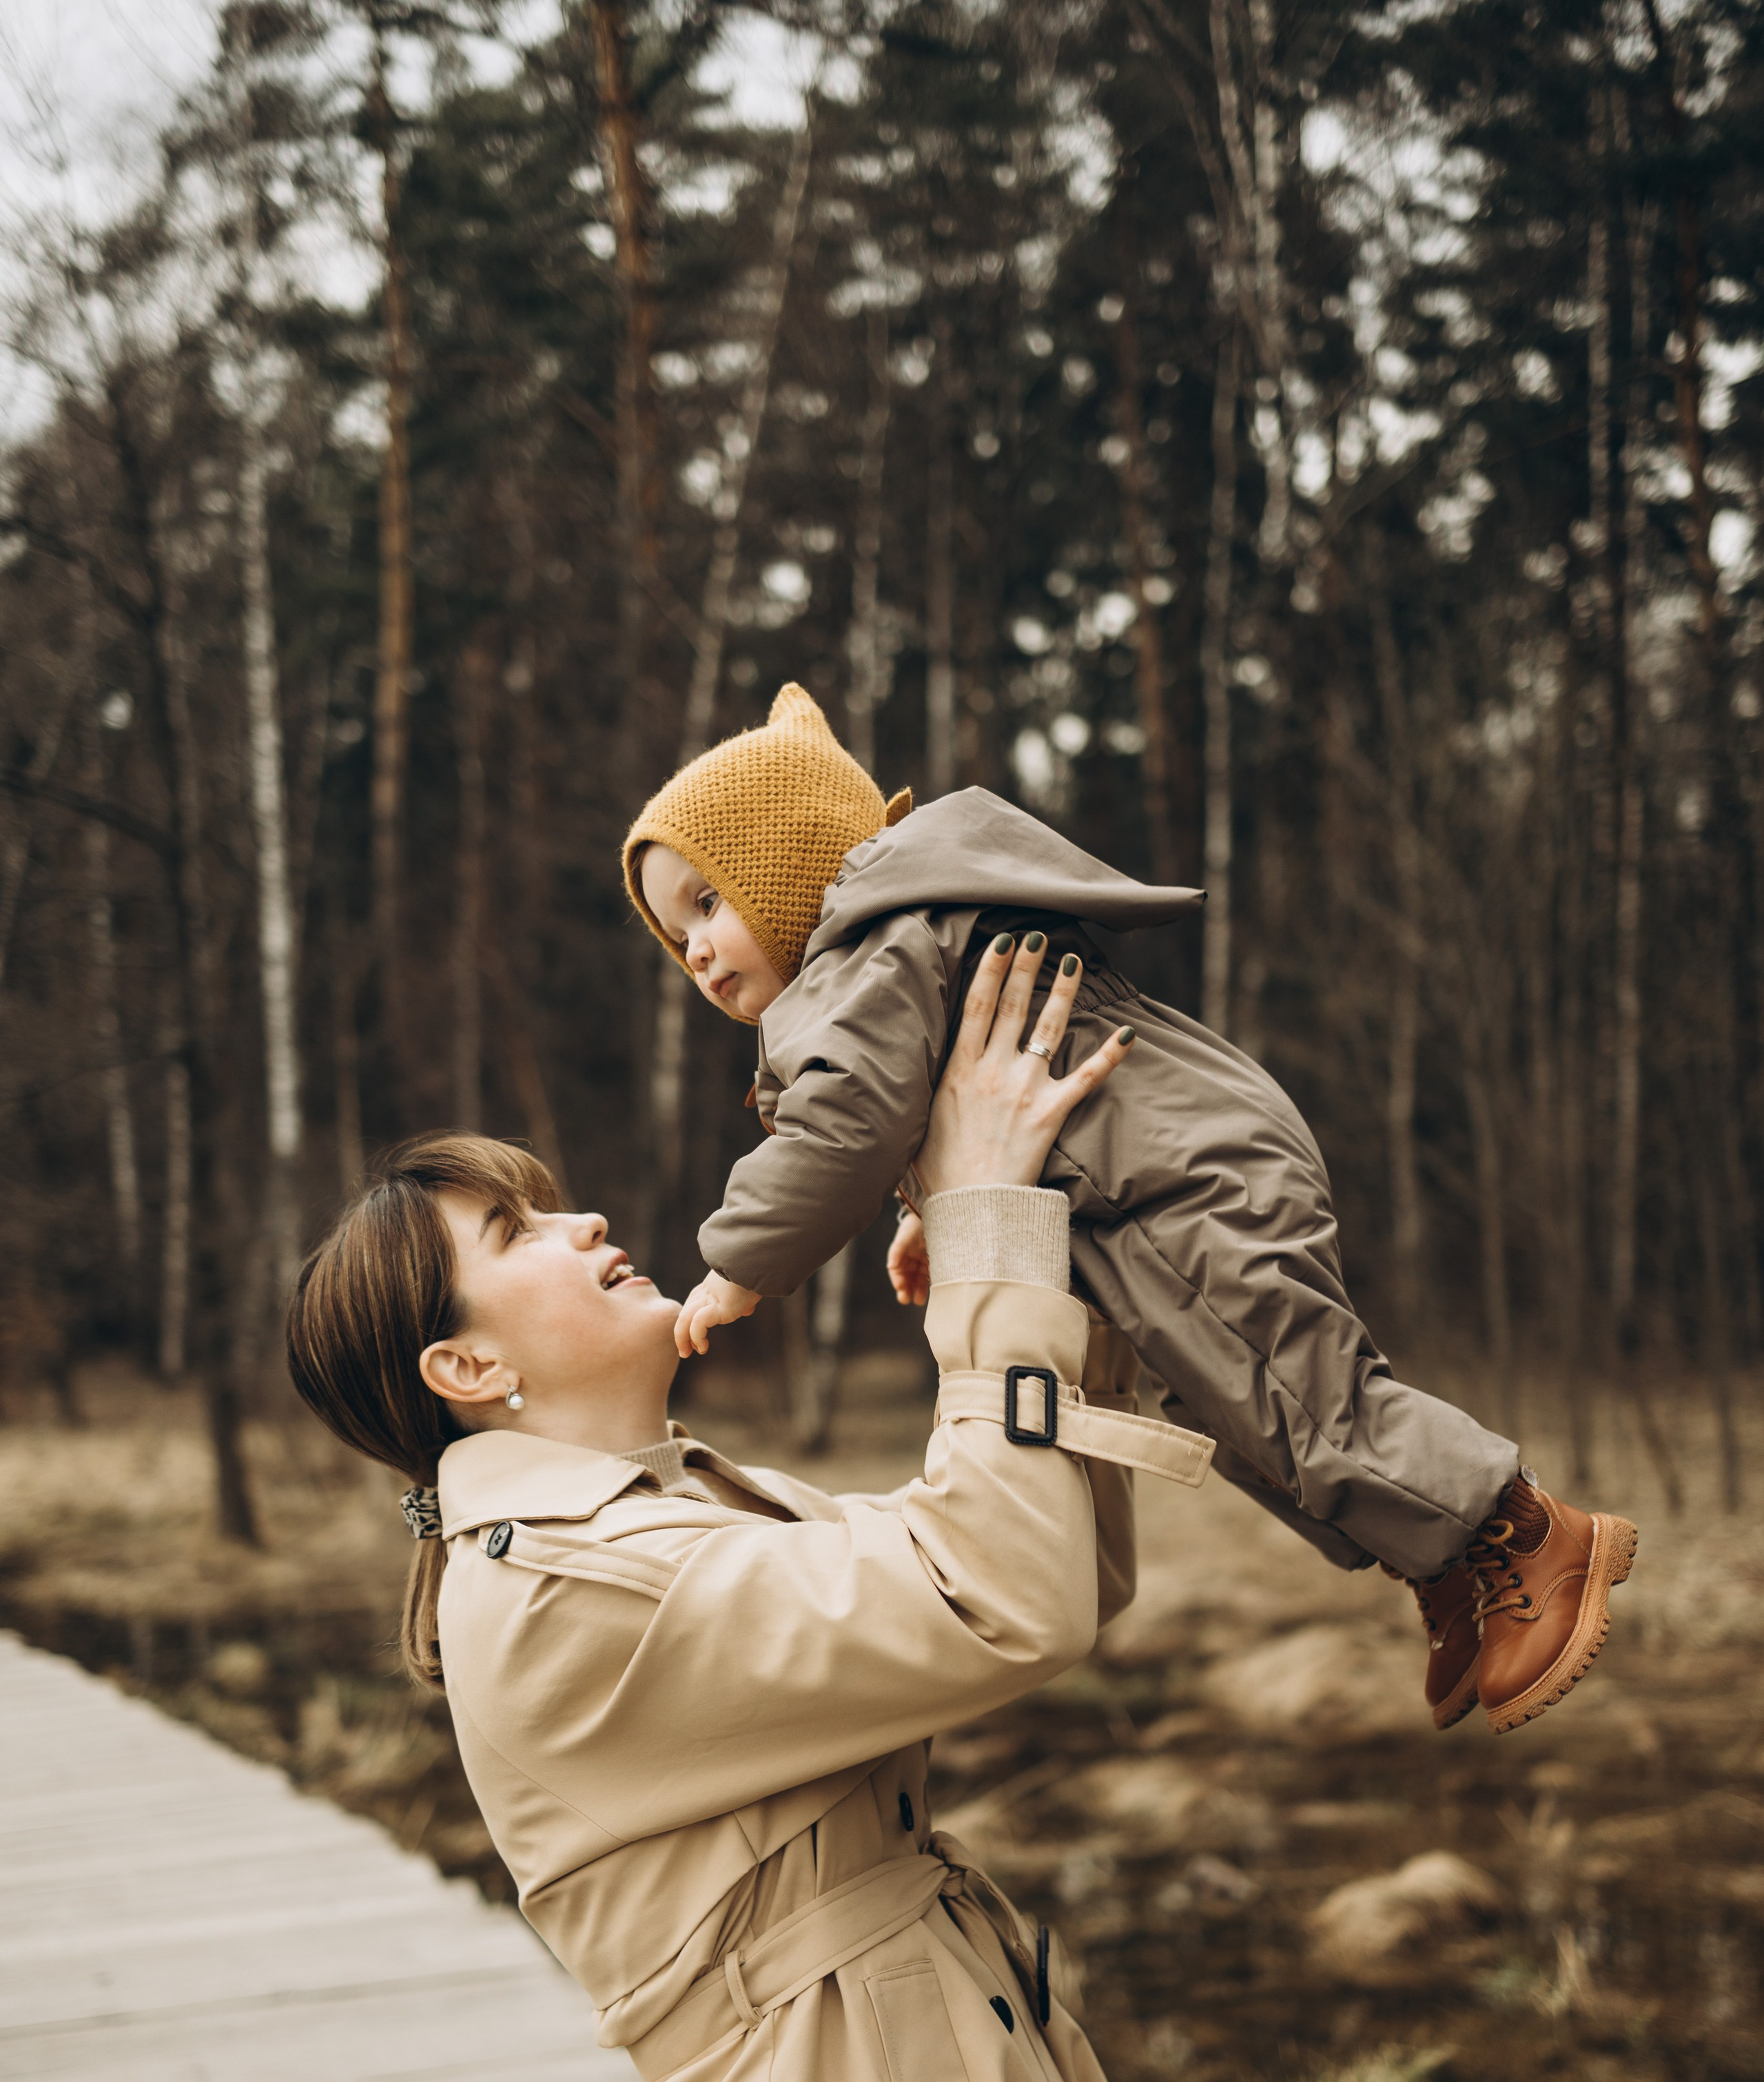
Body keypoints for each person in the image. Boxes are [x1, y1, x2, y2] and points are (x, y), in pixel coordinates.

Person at [286, 938, 1364, 2082]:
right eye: (517, 1234)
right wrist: (993, 1236)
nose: (580, 1224)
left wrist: (1007, 1289)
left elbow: (1038, 1580)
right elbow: (986, 1595)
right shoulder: (574, 1576)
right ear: (468, 1373)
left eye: (552, 1202)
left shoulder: (659, 1509)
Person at [624, 682, 1637, 1740]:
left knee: (1297, 1390)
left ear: (793, 866)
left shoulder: (874, 952)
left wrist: (737, 1263)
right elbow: (924, 1099)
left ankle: (1525, 1532)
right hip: (1147, 1185)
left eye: (709, 901)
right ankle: (1439, 1558)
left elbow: (846, 1123)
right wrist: (935, 1208)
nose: (693, 947)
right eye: (672, 928)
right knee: (1237, 1411)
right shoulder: (884, 963)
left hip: (1183, 1172)